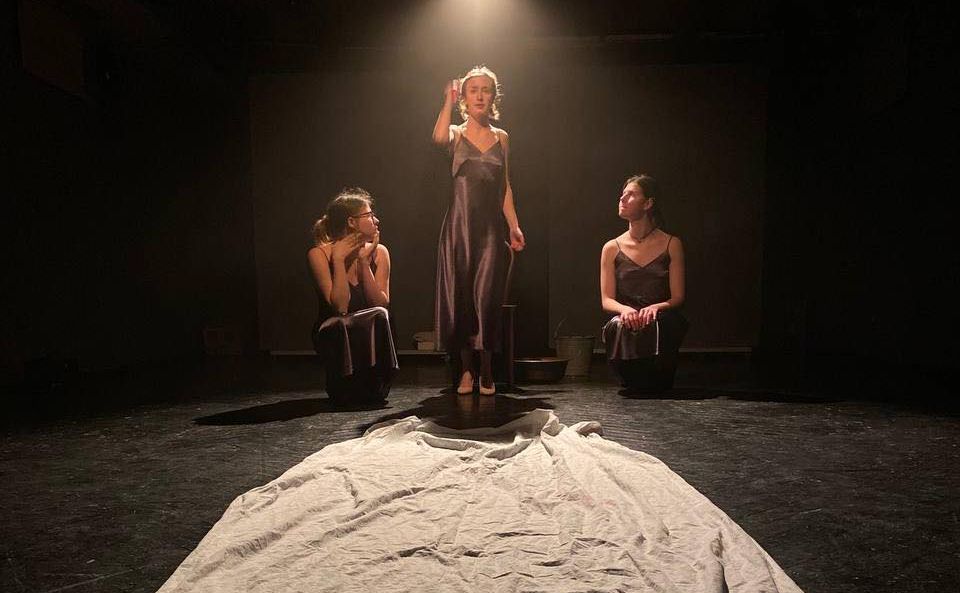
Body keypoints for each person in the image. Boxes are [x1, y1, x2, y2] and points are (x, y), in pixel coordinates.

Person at [432, 66, 525, 396]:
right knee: (462, 298)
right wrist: (447, 99)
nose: (480, 96)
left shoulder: (502, 138)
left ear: (494, 96)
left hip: (489, 232)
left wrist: (513, 226)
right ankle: (466, 370)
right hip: (459, 229)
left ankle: (486, 370)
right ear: (465, 97)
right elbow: (438, 138)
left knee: (486, 298)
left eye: (486, 90)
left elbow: (505, 187)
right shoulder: (455, 133)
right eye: (473, 90)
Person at [600, 174, 688, 395]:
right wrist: (625, 310)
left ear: (648, 203)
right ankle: (630, 379)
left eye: (631, 194)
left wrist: (656, 307)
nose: (622, 198)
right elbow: (607, 300)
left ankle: (657, 379)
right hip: (628, 317)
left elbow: (678, 297)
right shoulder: (611, 247)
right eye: (622, 194)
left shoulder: (671, 243)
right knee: (618, 325)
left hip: (660, 316)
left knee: (659, 323)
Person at [307, 188, 398, 401]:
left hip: (371, 344)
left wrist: (364, 262)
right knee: (340, 322)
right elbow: (340, 307)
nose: (376, 220)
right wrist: (338, 261)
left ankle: (376, 380)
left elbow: (380, 305)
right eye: (369, 215)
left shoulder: (380, 252)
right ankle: (343, 383)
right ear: (351, 222)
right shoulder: (319, 254)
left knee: (380, 314)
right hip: (337, 338)